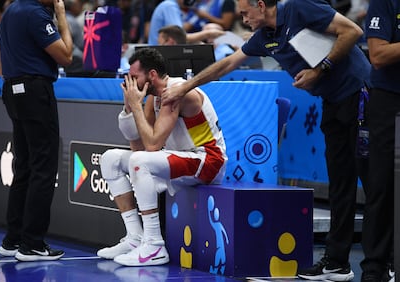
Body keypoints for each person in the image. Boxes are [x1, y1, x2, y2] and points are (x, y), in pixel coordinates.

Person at [162, 0, 371, 281]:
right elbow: (227, 64)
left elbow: (352, 31)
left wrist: (319, 71)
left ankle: (386, 262)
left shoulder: (300, 9)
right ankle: (337, 263)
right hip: (332, 102)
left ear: (261, 5)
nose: (242, 18)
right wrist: (185, 86)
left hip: (361, 96)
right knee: (340, 184)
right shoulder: (265, 37)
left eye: (246, 12)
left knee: (374, 183)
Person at [96, 47, 227, 266]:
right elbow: (138, 146)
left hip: (208, 160)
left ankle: (154, 244)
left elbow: (153, 145)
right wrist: (129, 107)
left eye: (134, 76)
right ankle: (135, 238)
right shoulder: (153, 99)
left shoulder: (176, 92)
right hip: (178, 158)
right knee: (110, 159)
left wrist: (136, 106)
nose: (130, 81)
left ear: (152, 75)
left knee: (139, 162)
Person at [0, 0, 73, 261]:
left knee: (25, 166)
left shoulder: (11, 11)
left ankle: (12, 240)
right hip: (35, 92)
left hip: (13, 91)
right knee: (43, 167)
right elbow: (66, 56)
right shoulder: (37, 14)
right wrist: (61, 16)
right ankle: (33, 244)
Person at [361, 1, 400, 281]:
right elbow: (378, 55)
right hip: (390, 100)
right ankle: (375, 268)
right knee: (382, 185)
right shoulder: (386, 2)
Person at [148, 0, 225, 45]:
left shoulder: (169, 5)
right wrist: (208, 33)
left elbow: (180, 31)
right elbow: (180, 38)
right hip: (160, 53)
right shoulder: (170, 6)